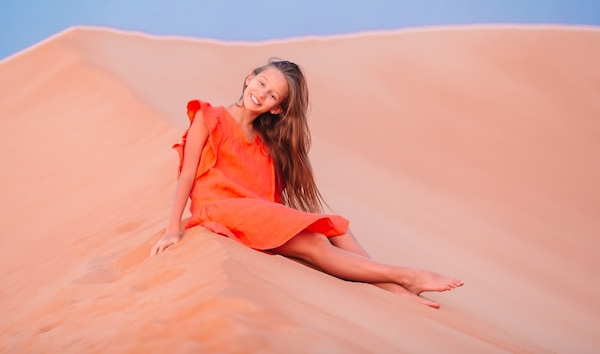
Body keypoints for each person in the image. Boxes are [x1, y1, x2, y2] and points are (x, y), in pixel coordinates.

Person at [150, 59, 463, 308]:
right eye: (261, 82)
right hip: (219, 210)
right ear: (249, 78)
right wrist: (172, 230)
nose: (261, 93)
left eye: (273, 95)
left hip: (254, 213)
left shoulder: (265, 143)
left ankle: (390, 285)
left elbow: (267, 196)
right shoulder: (209, 117)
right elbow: (187, 174)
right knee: (316, 244)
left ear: (276, 108)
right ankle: (408, 275)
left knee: (335, 227)